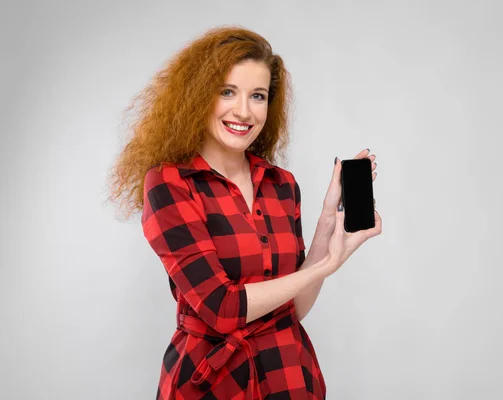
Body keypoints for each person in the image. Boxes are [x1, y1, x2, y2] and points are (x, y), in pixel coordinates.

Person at [108, 26, 382, 400]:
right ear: (198, 96)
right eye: (227, 92)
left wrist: (327, 226)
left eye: (258, 96)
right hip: (212, 383)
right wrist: (324, 267)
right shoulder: (170, 183)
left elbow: (294, 308)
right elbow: (222, 309)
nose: (244, 111)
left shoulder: (281, 184)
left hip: (288, 374)